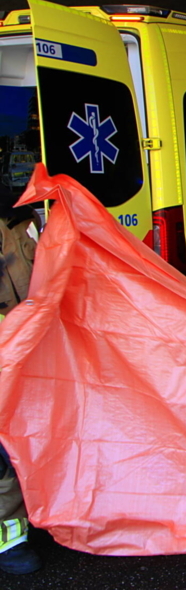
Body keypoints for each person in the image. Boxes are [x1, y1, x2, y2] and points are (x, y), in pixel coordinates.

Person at [0, 191, 42, 575]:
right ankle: (9, 536)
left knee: (25, 436)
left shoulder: (20, 221)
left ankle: (22, 524)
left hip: (26, 356)